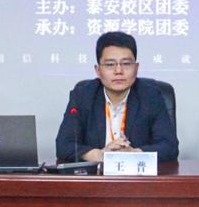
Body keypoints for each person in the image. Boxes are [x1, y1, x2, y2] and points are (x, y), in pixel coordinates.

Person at [55, 31, 178, 162]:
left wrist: (134, 154)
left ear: (136, 68)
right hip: (96, 173)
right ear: (98, 70)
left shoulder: (151, 96)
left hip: (136, 173)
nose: (118, 71)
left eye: (126, 64)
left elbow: (170, 147)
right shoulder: (83, 96)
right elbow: (63, 145)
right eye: (110, 64)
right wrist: (100, 155)